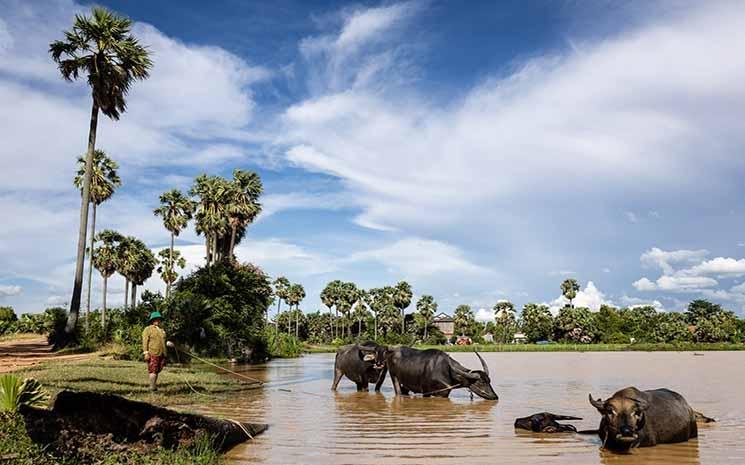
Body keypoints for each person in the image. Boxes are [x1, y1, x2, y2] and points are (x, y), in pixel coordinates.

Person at [142, 311, 174, 391]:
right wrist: (146, 352)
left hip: (162, 353)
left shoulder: (162, 330)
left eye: (159, 319)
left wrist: (169, 343)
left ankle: (154, 385)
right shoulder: (148, 329)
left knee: (158, 369)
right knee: (153, 369)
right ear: (152, 320)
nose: (158, 321)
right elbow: (145, 341)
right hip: (153, 352)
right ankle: (152, 387)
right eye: (156, 319)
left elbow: (164, 340)